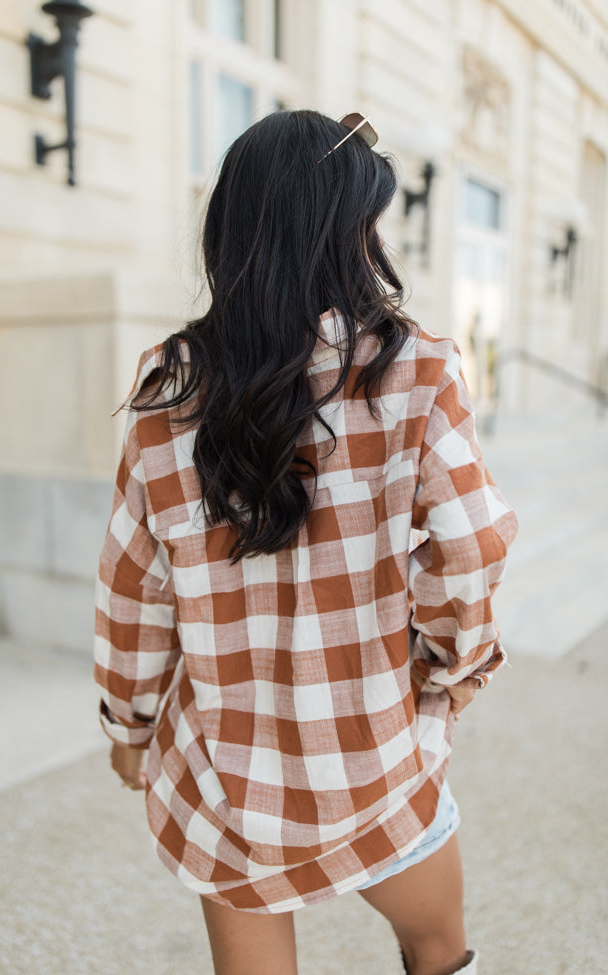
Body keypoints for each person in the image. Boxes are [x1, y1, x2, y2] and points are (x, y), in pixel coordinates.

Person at [94, 110, 518, 975]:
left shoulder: (168, 390)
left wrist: (129, 729)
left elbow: (134, 591)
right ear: (343, 231)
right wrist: (449, 668)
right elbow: (471, 546)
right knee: (439, 950)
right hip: (377, 762)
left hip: (228, 783)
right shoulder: (416, 371)